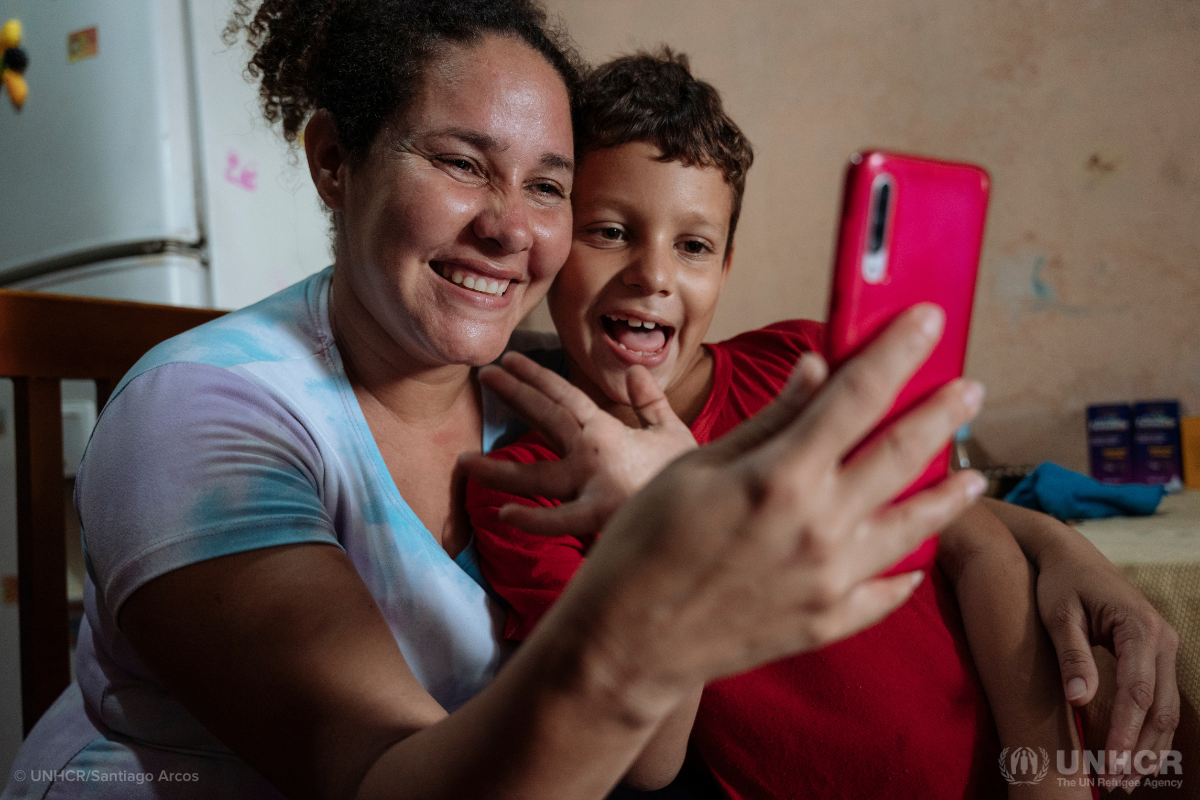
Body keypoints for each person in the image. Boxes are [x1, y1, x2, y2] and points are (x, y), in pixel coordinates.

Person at [0, 3, 1175, 799]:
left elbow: (648, 759)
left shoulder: (542, 410)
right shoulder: (204, 420)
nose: (513, 226)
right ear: (330, 161)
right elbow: (374, 774)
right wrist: (661, 580)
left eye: (549, 186)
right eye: (461, 163)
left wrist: (1050, 540)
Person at [463, 50, 1180, 798]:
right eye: (609, 231)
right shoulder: (528, 490)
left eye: (694, 245)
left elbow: (978, 546)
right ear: (550, 241)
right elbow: (649, 764)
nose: (654, 273)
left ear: (726, 268)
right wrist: (670, 535)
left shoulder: (806, 366)